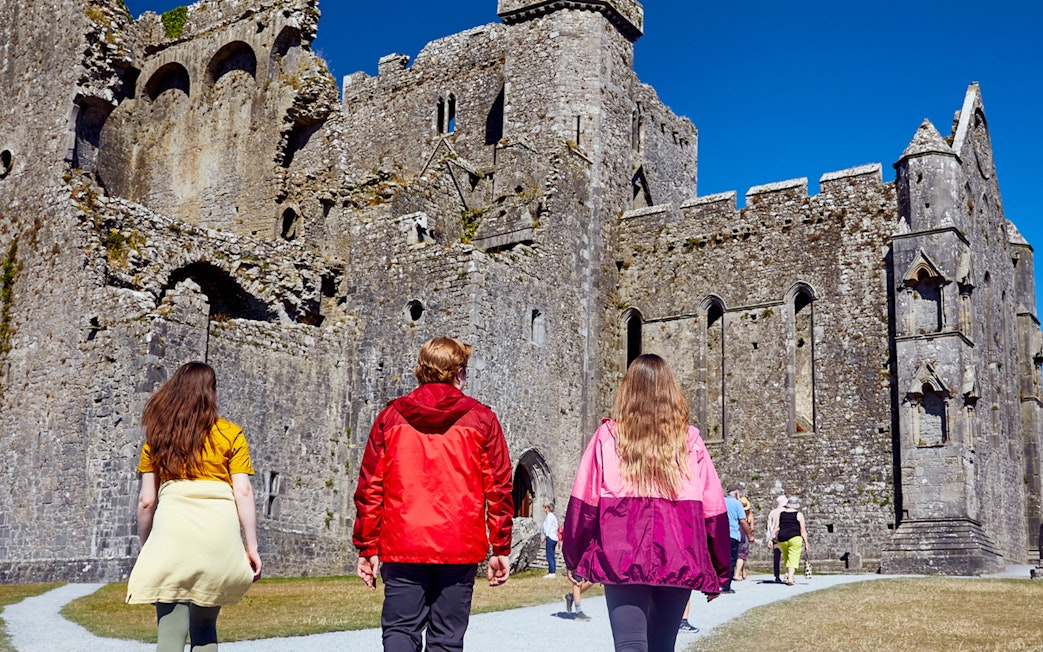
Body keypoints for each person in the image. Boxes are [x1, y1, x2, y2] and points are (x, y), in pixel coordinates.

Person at [353, 337, 514, 651]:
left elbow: (370, 486)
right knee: (447, 639)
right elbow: (498, 487)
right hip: (458, 543)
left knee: (400, 631)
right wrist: (500, 546)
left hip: (403, 540)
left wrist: (367, 546)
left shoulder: (391, 417)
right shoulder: (481, 419)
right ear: (458, 373)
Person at [563, 354, 730, 652]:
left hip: (620, 555)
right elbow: (713, 510)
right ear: (671, 392)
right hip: (679, 554)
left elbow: (583, 504)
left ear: (627, 390)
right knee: (663, 646)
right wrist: (719, 569)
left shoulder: (608, 437)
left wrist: (574, 557)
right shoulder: (690, 441)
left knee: (630, 646)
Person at [126, 362, 262, 652]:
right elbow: (243, 490)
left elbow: (147, 500)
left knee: (170, 631)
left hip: (173, 529)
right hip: (217, 532)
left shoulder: (157, 436)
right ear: (208, 392)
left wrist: (146, 544)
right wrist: (251, 547)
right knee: (204, 627)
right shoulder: (231, 434)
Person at [772, 495, 810, 586]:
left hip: (782, 538)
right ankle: (790, 578)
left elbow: (775, 528)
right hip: (795, 538)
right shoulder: (799, 515)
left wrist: (770, 539)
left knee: (786, 557)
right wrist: (806, 542)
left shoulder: (781, 514)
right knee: (793, 557)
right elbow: (803, 530)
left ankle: (788, 574)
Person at [722, 484, 753, 593]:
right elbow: (743, 521)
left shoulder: (721, 501)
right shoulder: (737, 504)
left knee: (720, 560)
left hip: (720, 535)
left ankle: (717, 584)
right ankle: (726, 587)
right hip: (732, 535)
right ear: (736, 493)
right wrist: (749, 535)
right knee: (731, 561)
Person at [765, 494, 788, 583]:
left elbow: (769, 525)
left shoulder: (772, 512)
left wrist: (770, 537)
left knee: (776, 556)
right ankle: (787, 573)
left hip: (774, 536)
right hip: (783, 534)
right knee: (787, 555)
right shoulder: (785, 511)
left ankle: (777, 575)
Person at [733, 496, 754, 581]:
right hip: (744, 535)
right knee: (741, 555)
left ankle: (742, 570)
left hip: (735, 533)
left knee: (736, 554)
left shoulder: (736, 513)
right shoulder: (749, 516)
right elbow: (752, 528)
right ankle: (737, 574)